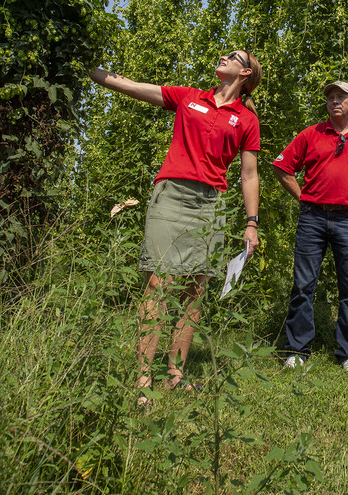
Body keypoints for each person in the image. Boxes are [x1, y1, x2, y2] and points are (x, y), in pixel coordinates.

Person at [89, 50, 262, 398]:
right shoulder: (189, 97)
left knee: (194, 291)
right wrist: (88, 67)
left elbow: (249, 173)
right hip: (171, 196)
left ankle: (175, 374)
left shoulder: (246, 119)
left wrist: (252, 222)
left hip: (211, 203)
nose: (222, 56)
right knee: (158, 283)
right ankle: (142, 379)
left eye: (232, 56)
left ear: (245, 72)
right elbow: (133, 87)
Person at [273, 80, 348, 373]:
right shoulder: (311, 134)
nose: (335, 101)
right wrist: (303, 197)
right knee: (303, 285)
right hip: (312, 219)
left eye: (341, 97)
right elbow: (281, 166)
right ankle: (297, 350)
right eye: (330, 97)